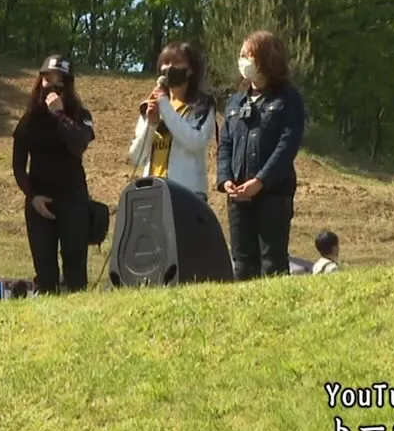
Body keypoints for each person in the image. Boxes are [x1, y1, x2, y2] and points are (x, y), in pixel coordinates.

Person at [217, 30, 306, 280]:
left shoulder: (288, 99)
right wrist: (226, 181)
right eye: (241, 55)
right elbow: (225, 144)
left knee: (272, 262)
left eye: (249, 55)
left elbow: (287, 145)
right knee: (242, 264)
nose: (243, 60)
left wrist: (260, 182)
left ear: (266, 58)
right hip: (238, 197)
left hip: (273, 195)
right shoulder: (235, 102)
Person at [12, 55, 96, 294]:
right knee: (45, 271)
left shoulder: (81, 116)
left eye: (59, 84)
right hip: (39, 200)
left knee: (75, 267)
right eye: (47, 80)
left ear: (69, 87)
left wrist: (59, 115)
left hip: (73, 198)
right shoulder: (29, 121)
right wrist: (33, 196)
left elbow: (79, 143)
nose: (52, 88)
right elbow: (18, 166)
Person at [127, 42, 216, 198]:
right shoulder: (151, 107)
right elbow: (137, 157)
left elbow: (195, 142)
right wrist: (151, 124)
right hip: (152, 193)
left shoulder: (201, 105)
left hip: (187, 194)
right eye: (165, 63)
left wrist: (165, 107)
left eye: (176, 63)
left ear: (190, 70)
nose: (169, 68)